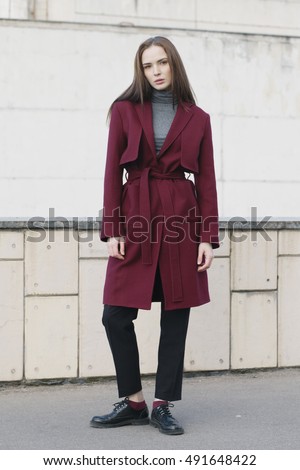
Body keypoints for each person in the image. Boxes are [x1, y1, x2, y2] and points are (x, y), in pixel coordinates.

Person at [90, 36, 219, 435]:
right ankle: (133, 401)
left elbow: (208, 180)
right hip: (137, 216)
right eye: (148, 66)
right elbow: (112, 170)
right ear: (140, 71)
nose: (156, 71)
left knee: (176, 315)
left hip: (182, 217)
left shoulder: (198, 118)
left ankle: (163, 404)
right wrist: (113, 229)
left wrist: (206, 237)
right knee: (115, 314)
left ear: (174, 65)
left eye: (162, 63)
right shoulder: (125, 110)